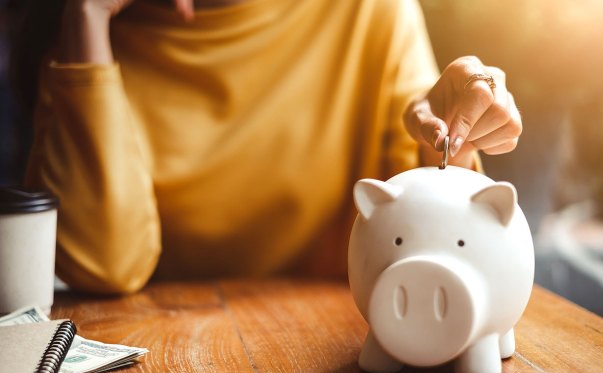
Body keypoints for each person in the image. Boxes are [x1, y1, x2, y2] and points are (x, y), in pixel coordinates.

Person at [18, 0, 522, 294]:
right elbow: (103, 264)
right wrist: (85, 14)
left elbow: (430, 214)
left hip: (337, 341)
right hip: (164, 356)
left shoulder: (367, 12)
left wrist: (452, 130)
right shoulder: (89, 50)